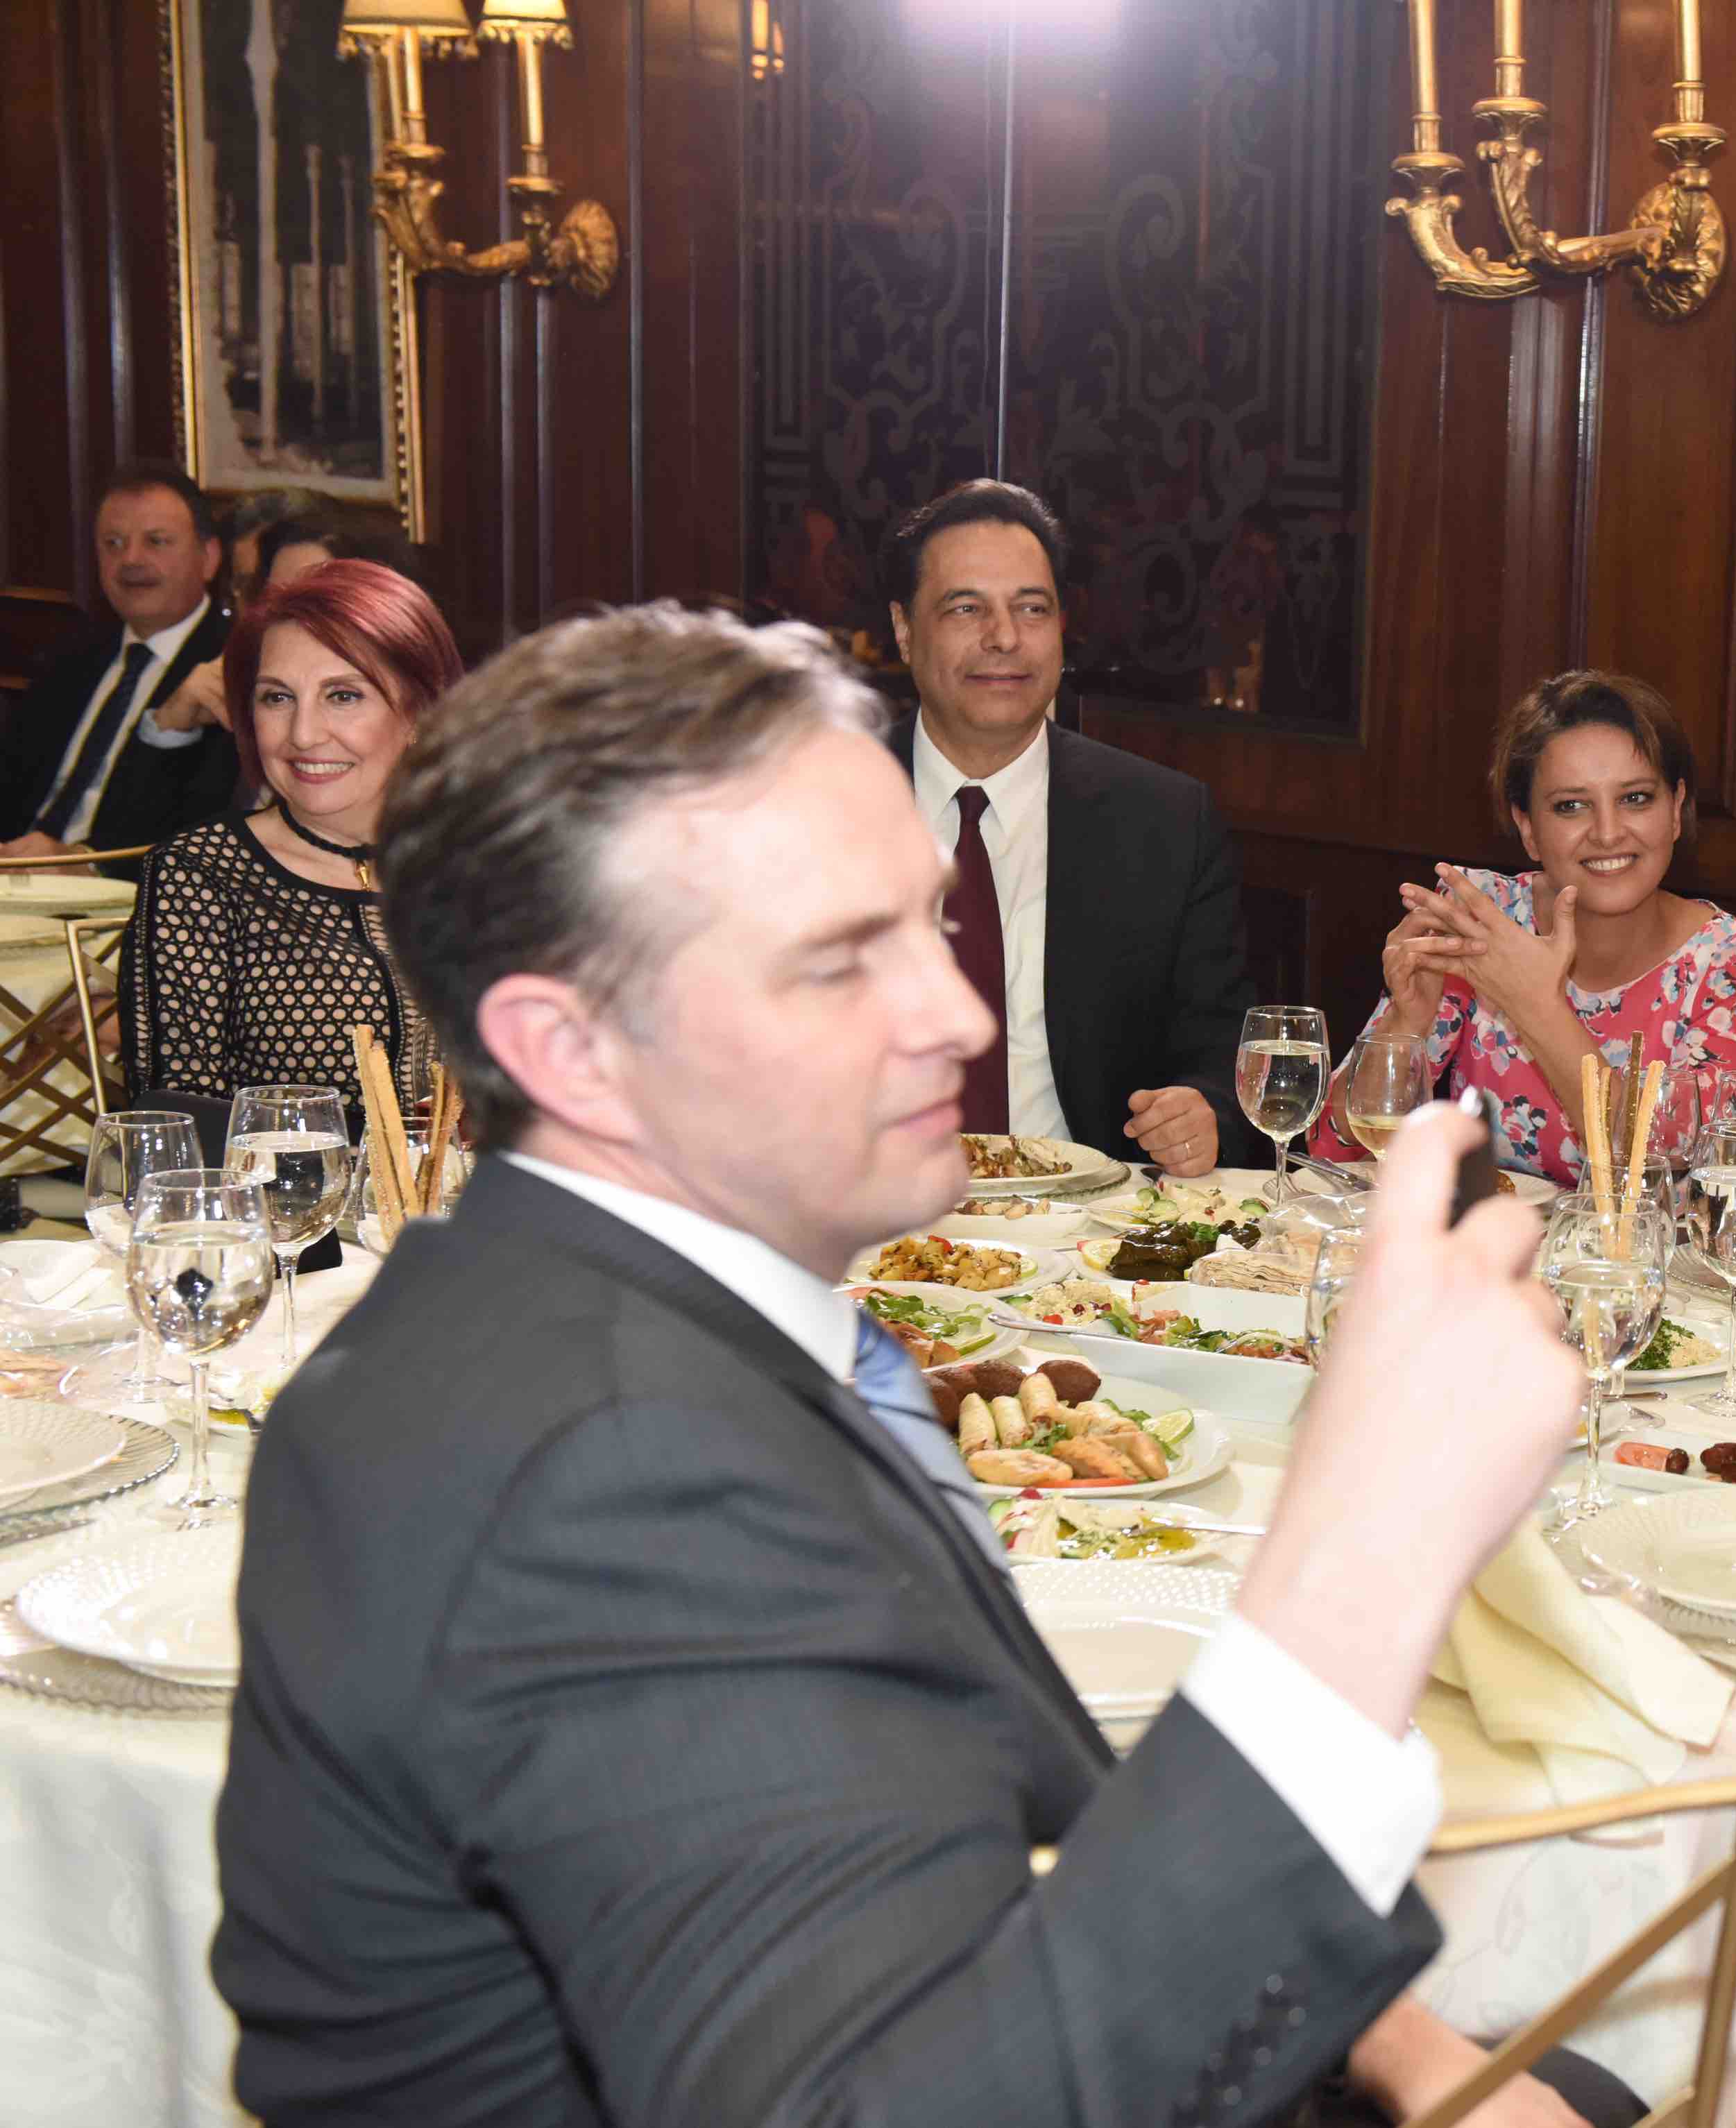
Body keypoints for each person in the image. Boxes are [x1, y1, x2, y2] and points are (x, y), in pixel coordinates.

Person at [212, 603, 1635, 2128]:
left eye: (927, 926)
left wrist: (1395, 2044)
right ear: (568, 1049)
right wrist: (1363, 1555)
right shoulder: (608, 1466)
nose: (954, 1018)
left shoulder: (635, 1313)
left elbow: (994, 1820)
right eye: (842, 961)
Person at [882, 479, 1250, 1175]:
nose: (1004, 638)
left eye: (1032, 608)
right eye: (966, 608)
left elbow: (1225, 1059)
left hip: (1088, 1218)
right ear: (904, 629)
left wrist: (1205, 1113)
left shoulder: (1165, 824)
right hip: (863, 1207)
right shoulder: (815, 809)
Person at [1317, 670, 1736, 1185]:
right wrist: (1408, 1020)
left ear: (1676, 809)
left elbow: (1672, 1162)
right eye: (1571, 806)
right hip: (1484, 1235)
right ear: (1528, 828)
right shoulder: (1484, 921)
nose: (1608, 833)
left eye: (1635, 798)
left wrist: (1534, 1003)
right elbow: (1334, 1148)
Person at [117, 559, 462, 1112]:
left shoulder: (485, 869)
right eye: (277, 698)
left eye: (343, 696)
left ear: (421, 711)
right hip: (279, 1174)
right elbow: (182, 1127)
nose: (303, 734)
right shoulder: (202, 876)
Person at [0, 461, 239, 867]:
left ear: (209, 557)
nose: (130, 559)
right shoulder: (72, 654)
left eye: (156, 542)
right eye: (113, 543)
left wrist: (84, 862)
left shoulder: (229, 666)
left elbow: (202, 828)